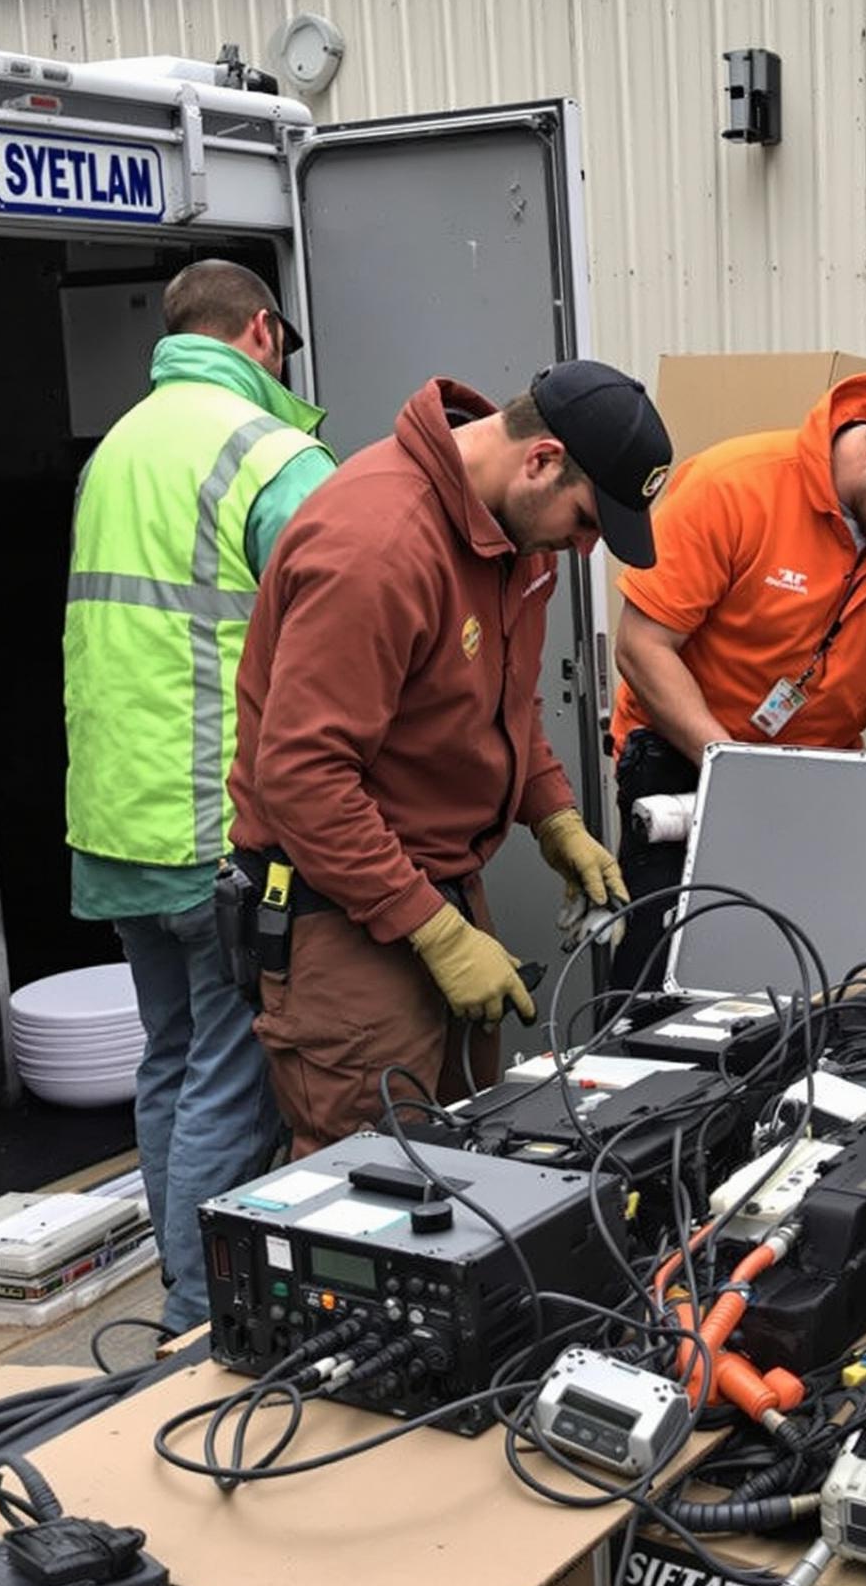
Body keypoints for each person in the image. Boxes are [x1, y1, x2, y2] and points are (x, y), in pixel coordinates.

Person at [228, 361, 671, 1156]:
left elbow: (505, 704)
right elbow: (302, 778)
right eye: (586, 520)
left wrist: (554, 816)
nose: (582, 548)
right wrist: (433, 930)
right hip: (348, 913)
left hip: (439, 891)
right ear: (541, 459)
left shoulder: (514, 535)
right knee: (367, 1177)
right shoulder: (378, 545)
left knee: (468, 1157)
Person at [62, 258, 334, 1334]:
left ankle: (178, 1274)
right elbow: (344, 633)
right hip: (220, 824)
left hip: (117, 823)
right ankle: (197, 1306)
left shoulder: (114, 451)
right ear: (262, 334)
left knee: (169, 1059)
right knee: (232, 1075)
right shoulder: (271, 454)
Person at [606, 376, 866, 982]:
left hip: (823, 778)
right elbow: (643, 646)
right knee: (670, 969)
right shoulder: (735, 486)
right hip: (684, 759)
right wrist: (737, 771)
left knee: (807, 971)